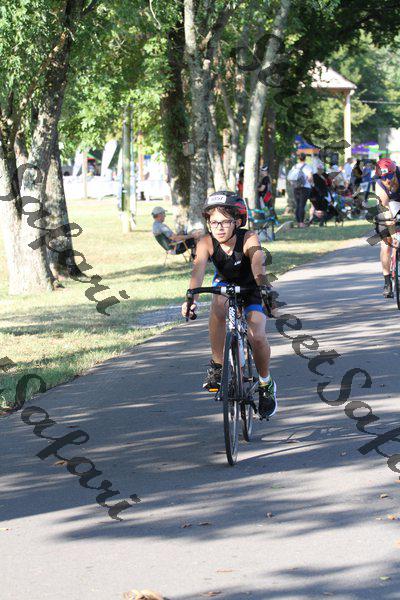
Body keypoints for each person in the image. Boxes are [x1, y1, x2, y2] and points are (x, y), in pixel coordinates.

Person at [181, 191, 277, 419]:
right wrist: (191, 299)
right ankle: (218, 365)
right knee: (218, 301)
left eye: (225, 222)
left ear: (238, 221)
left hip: (252, 287)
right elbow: (198, 271)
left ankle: (266, 383)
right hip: (225, 284)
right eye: (214, 222)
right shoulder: (206, 242)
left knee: (257, 335)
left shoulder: (249, 237)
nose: (219, 228)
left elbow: (257, 263)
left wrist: (265, 290)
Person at [374, 158, 400, 298]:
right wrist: (392, 232)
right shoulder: (379, 185)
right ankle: (387, 282)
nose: (387, 180)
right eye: (383, 177)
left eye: (389, 176)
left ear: (394, 172)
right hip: (387, 207)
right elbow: (385, 209)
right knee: (386, 245)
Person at [288, 153, 313, 227]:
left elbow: (290, 177)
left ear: (299, 158)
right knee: (302, 205)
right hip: (305, 188)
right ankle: (301, 223)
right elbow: (310, 178)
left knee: (298, 205)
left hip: (296, 188)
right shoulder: (307, 167)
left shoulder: (294, 166)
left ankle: (298, 222)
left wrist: (293, 184)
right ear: (305, 158)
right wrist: (311, 183)